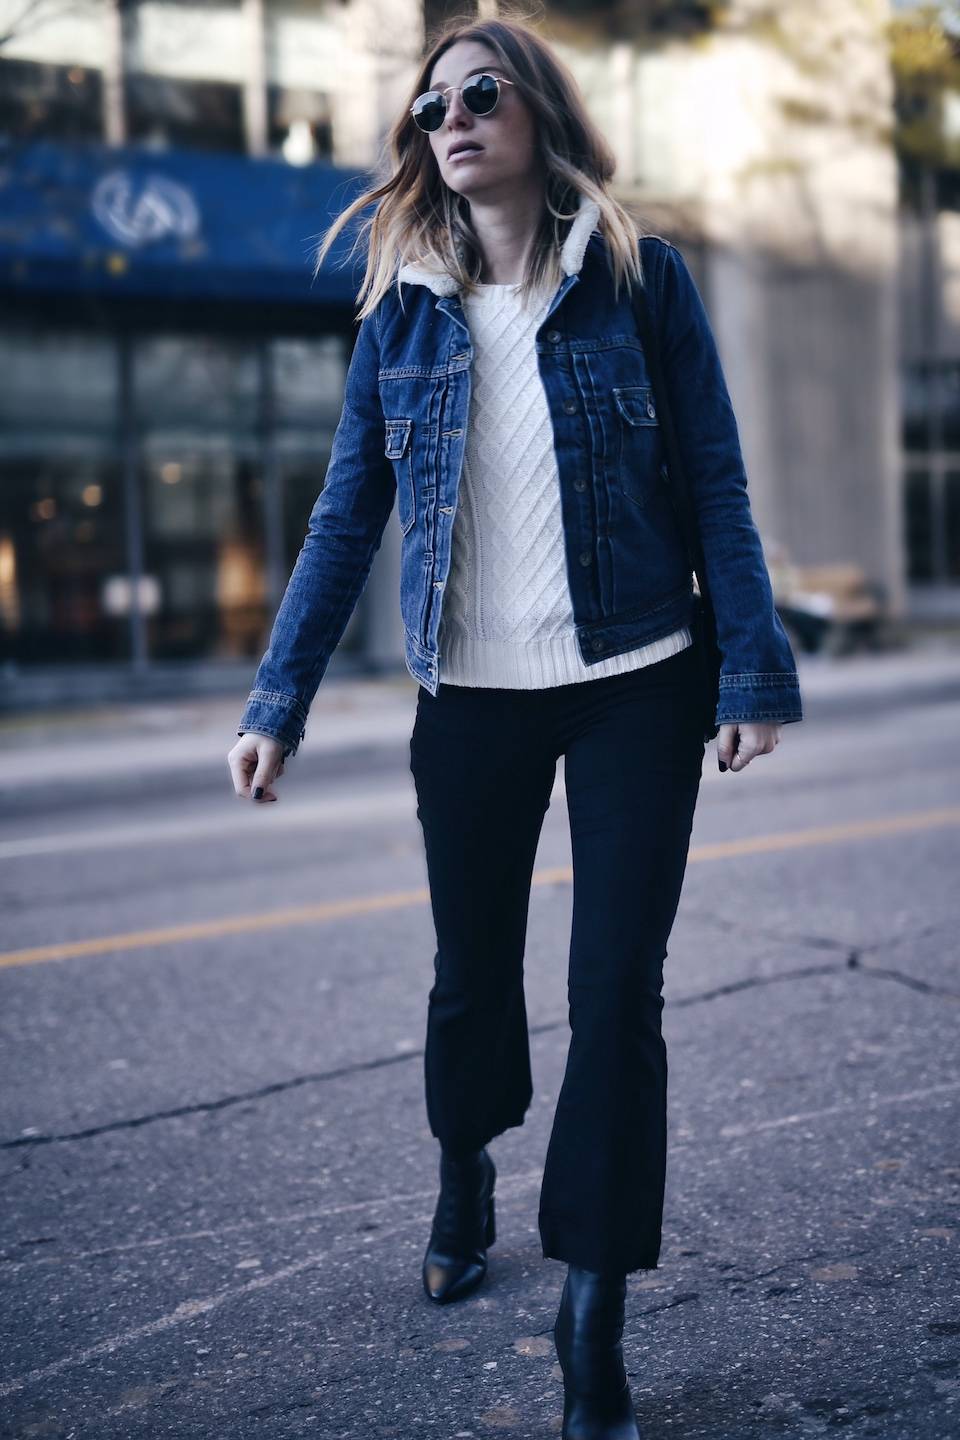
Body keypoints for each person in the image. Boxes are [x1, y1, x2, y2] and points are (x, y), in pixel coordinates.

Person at [227, 15, 803, 1438]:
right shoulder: (401, 310)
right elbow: (345, 512)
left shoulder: (640, 278)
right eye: (431, 109)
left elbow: (718, 484)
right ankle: (466, 1163)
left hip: (637, 679)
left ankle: (592, 1310)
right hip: (470, 698)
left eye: (480, 94)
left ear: (536, 111)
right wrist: (276, 700)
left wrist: (750, 668)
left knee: (617, 992)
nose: (454, 120)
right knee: (472, 975)